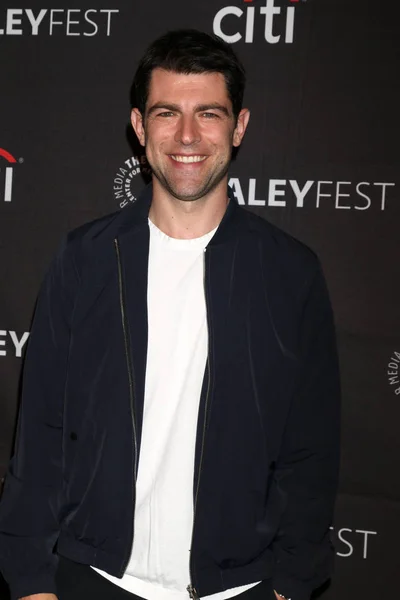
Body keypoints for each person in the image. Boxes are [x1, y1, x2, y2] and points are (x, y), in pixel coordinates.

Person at [0, 29, 340, 600]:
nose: (187, 135)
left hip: (242, 587)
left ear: (239, 126)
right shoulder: (85, 259)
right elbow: (40, 435)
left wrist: (290, 586)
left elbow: (311, 450)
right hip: (93, 579)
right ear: (139, 127)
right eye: (167, 113)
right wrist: (33, 582)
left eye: (208, 113)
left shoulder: (290, 273)